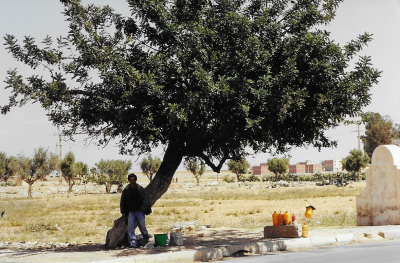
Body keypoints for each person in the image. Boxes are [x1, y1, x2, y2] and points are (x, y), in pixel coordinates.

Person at [120, 173, 151, 248]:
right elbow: (122, 201)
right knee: (130, 228)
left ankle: (146, 238)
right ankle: (133, 243)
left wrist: (142, 210)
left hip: (139, 211)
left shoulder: (140, 189)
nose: (132, 181)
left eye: (133, 180)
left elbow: (145, 200)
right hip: (131, 211)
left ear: (136, 180)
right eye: (130, 180)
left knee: (142, 226)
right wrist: (123, 211)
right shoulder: (126, 190)